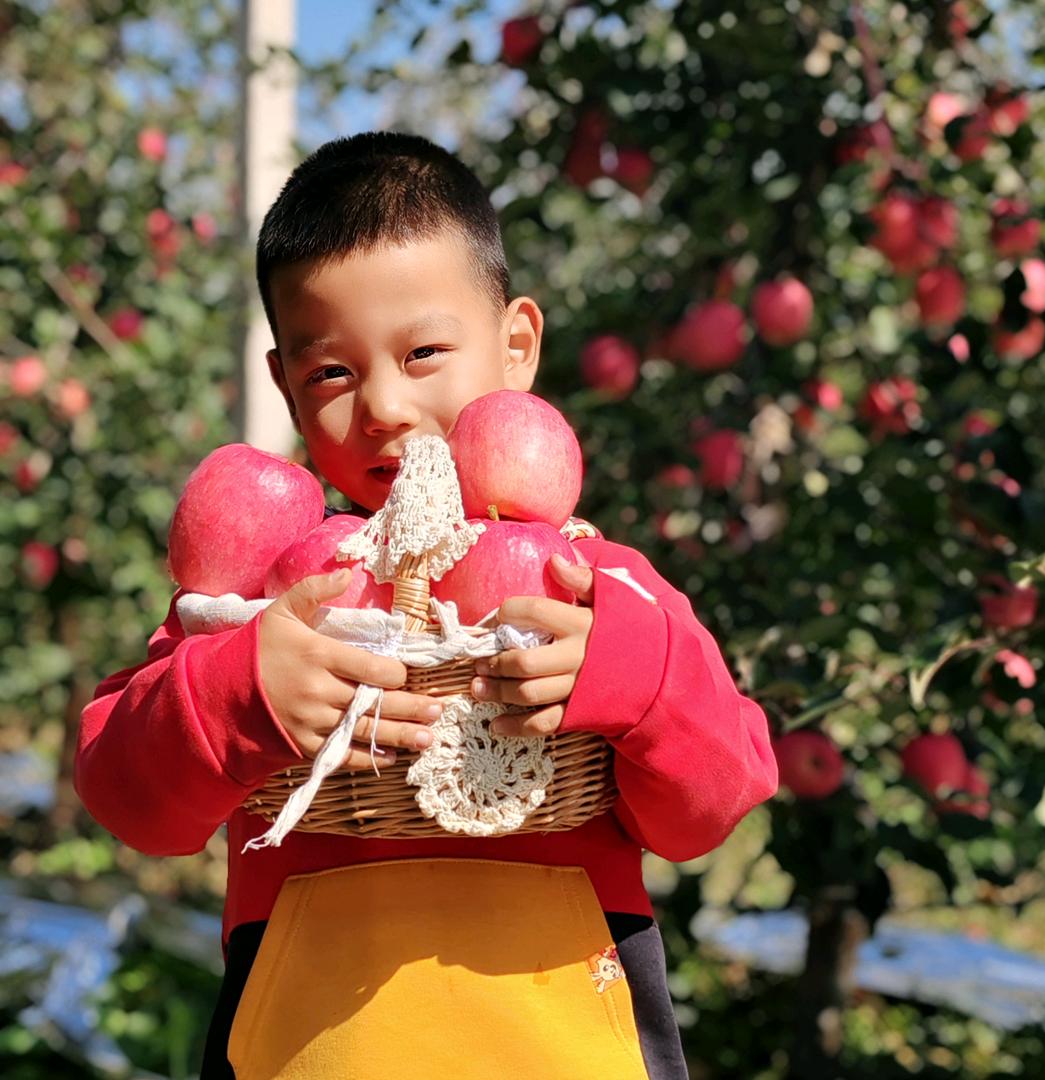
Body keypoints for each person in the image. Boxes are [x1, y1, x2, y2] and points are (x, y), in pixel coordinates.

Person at [75, 131, 778, 1080]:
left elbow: (715, 805)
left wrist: (634, 676)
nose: (384, 408)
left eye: (424, 353)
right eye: (331, 372)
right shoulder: (267, 604)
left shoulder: (590, 586)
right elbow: (130, 803)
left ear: (516, 346)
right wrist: (237, 694)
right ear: (285, 387)